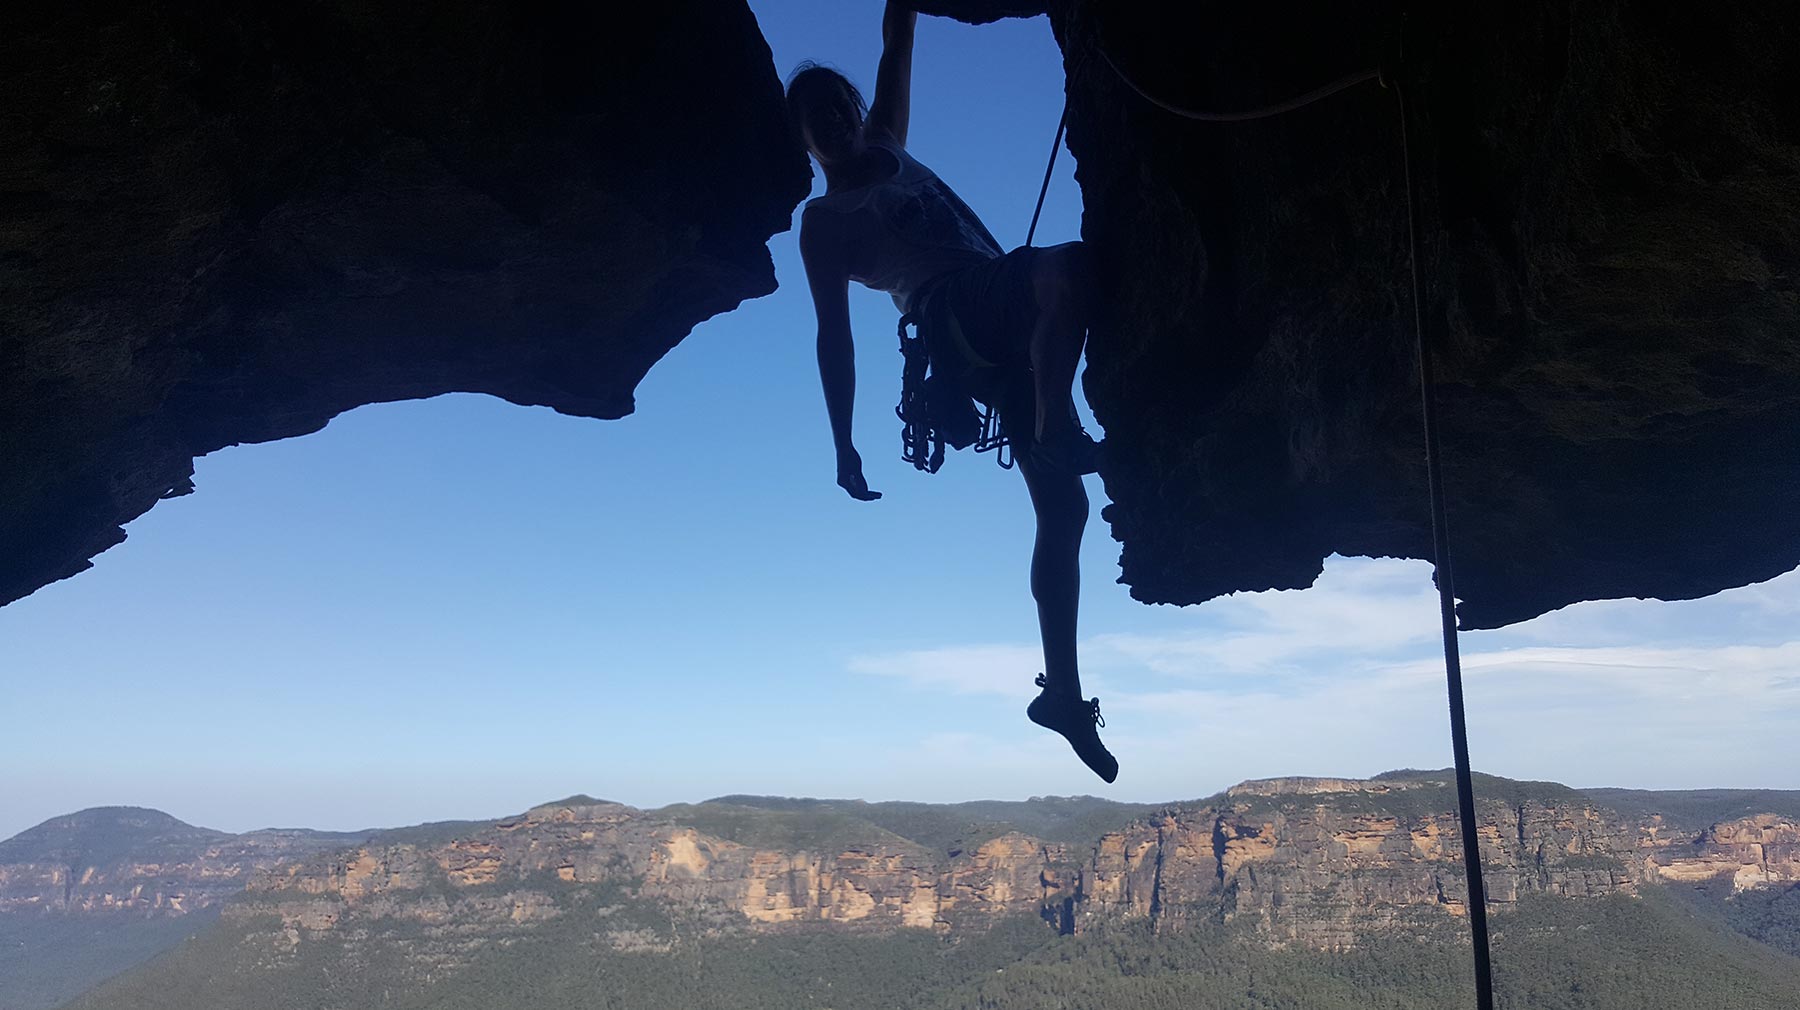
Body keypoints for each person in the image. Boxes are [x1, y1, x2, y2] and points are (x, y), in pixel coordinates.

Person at [790, 3, 1115, 782]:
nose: (835, 118)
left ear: (857, 109)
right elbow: (832, 334)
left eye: (840, 103)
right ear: (802, 139)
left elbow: (898, 35)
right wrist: (843, 443)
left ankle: (1062, 696)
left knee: (1065, 509)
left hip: (998, 329)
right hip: (955, 315)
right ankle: (1056, 416)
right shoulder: (825, 221)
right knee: (1065, 270)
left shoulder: (888, 145)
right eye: (815, 116)